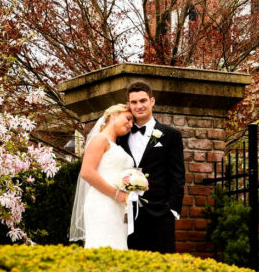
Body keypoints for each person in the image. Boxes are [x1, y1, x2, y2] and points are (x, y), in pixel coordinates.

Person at [117, 81, 185, 253]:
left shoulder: (171, 135)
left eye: (143, 100)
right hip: (126, 215)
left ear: (152, 101)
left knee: (163, 264)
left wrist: (172, 209)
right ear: (128, 105)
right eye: (134, 102)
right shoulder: (120, 137)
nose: (139, 106)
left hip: (161, 214)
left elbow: (177, 175)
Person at [69, 104, 135, 249]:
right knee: (104, 245)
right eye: (128, 118)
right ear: (113, 115)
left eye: (132, 122)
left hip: (118, 205)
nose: (131, 124)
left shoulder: (116, 145)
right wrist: (117, 195)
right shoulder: (100, 139)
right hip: (102, 202)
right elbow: (87, 172)